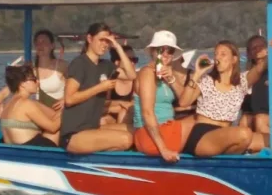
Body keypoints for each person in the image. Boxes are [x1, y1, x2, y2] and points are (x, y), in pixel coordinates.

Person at [60, 23, 136, 154]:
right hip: (75, 134)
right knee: (126, 139)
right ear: (89, 39)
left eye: (107, 41)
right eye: (101, 40)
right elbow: (69, 99)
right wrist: (99, 88)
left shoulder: (106, 66)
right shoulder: (79, 63)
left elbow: (131, 75)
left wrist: (118, 47)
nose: (105, 44)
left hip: (93, 128)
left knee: (137, 131)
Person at [0, 28, 66, 127]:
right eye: (37, 42)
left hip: (58, 115)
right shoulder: (31, 69)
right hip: (41, 116)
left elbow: (77, 86)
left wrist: (65, 99)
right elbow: (7, 90)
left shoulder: (62, 66)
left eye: (44, 42)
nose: (40, 45)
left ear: (52, 46)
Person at [182, 41, 256, 157]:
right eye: (216, 54)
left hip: (225, 133)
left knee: (261, 140)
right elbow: (184, 102)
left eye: (223, 54)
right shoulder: (206, 80)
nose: (217, 57)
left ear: (234, 59)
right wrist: (196, 74)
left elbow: (260, 68)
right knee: (244, 133)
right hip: (203, 135)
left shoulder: (241, 82)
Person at [132, 31, 197, 162]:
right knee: (201, 119)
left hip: (166, 128)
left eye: (170, 51)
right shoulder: (147, 73)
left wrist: (171, 78)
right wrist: (163, 149)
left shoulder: (166, 74)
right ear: (152, 52)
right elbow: (147, 113)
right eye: (161, 50)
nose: (166, 54)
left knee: (206, 118)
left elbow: (184, 101)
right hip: (152, 137)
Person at [0, 64, 60, 147]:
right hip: (31, 150)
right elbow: (53, 128)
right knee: (59, 130)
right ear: (22, 84)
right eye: (34, 79)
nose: (38, 82)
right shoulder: (26, 103)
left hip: (14, 150)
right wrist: (65, 110)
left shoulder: (8, 104)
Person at [103, 44, 138, 125]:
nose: (132, 63)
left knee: (123, 112)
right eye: (129, 60)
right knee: (102, 120)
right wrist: (120, 104)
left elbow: (133, 104)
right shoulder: (110, 79)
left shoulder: (137, 79)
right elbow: (104, 103)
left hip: (129, 114)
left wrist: (116, 106)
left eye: (135, 60)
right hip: (111, 114)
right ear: (117, 62)